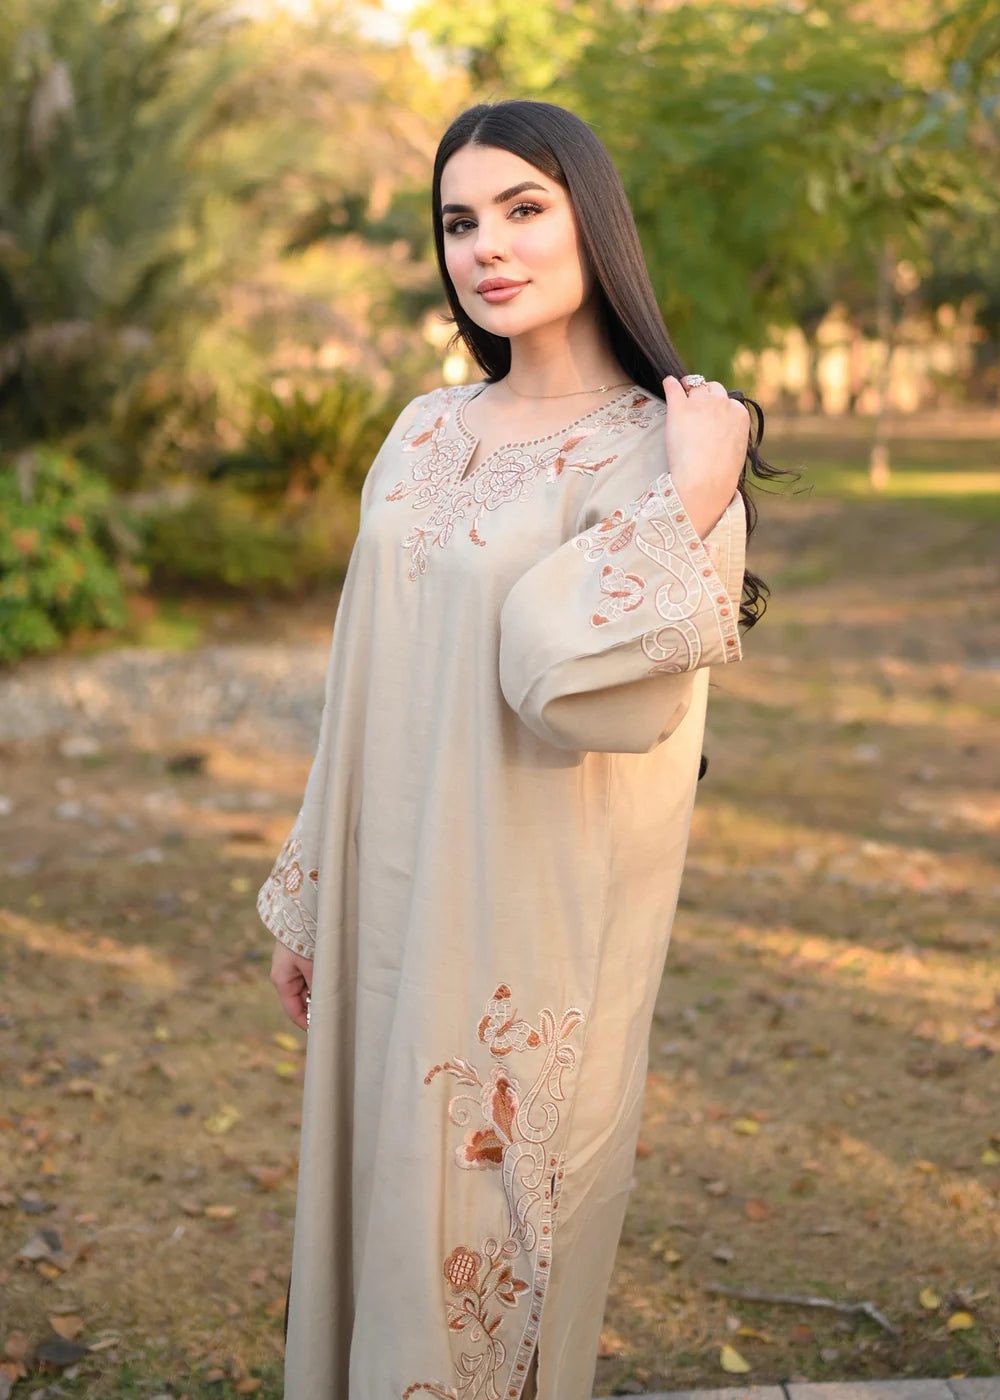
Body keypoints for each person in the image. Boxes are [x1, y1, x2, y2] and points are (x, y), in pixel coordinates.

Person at [257, 97, 786, 1400]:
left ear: (592, 222)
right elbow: (359, 669)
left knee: (478, 1258)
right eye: (459, 221)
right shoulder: (420, 431)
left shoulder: (669, 447)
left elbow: (568, 680)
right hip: (381, 908)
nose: (485, 246)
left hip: (526, 934)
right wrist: (311, 894)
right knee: (367, 1213)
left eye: (523, 208)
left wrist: (696, 492)